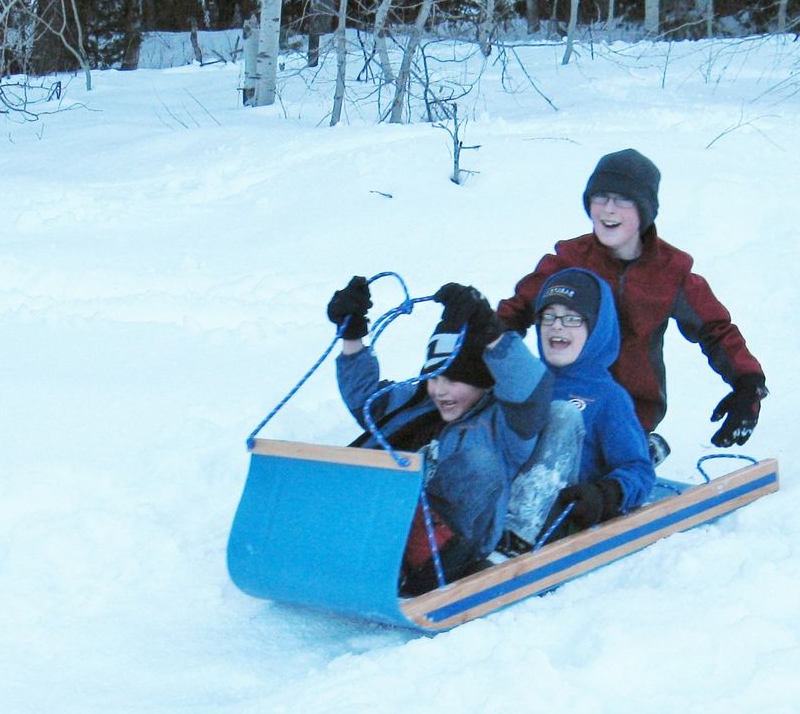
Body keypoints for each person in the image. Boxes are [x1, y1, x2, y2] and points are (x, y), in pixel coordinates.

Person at [496, 148, 768, 459]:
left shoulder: (670, 270)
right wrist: (480, 347)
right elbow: (514, 313)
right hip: (565, 400)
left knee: (601, 463)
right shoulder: (569, 260)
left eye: (622, 200)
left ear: (645, 209)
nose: (608, 210)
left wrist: (748, 386)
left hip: (634, 408)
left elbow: (716, 330)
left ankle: (639, 452)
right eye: (600, 198)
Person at [327, 277, 553, 594]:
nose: (440, 390)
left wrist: (490, 332)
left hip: (451, 544)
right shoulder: (418, 401)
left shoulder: (504, 425)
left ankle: (416, 562)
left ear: (484, 381)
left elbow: (530, 389)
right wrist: (351, 338)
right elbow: (366, 402)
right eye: (434, 377)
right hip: (386, 524)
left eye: (455, 379)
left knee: (477, 463)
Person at [520, 267, 655, 543]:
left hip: (559, 517)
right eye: (548, 316)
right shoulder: (526, 380)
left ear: (597, 330)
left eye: (572, 318)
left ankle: (516, 539)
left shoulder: (608, 398)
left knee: (562, 416)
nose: (557, 325)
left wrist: (605, 494)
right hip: (502, 506)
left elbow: (638, 470)